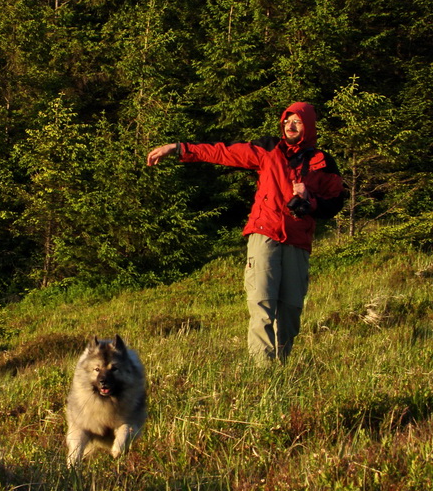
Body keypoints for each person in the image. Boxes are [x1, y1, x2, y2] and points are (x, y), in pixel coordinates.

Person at [146, 102, 344, 364]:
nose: (290, 126)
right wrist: (179, 148)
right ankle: (262, 372)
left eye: (296, 121)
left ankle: (281, 367)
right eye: (286, 121)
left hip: (298, 240)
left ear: (308, 125)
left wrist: (311, 200)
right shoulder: (267, 150)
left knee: (291, 312)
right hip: (265, 233)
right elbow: (222, 152)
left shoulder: (321, 161)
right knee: (262, 304)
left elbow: (337, 200)